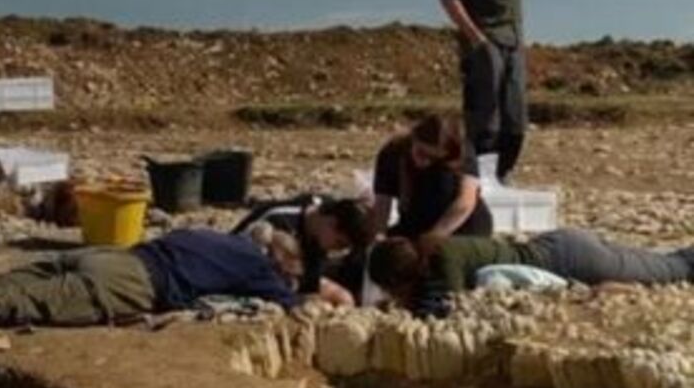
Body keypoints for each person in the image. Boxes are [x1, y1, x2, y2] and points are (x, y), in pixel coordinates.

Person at [0, 228, 298, 344]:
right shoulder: (261, 269)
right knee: (3, 302)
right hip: (135, 284)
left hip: (113, 254)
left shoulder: (217, 237)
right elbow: (294, 305)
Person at [439, 0, 563, 181]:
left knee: (515, 114)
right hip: (484, 42)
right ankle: (478, 177)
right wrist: (476, 38)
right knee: (486, 113)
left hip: (513, 41)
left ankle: (503, 173)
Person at [370, 229, 694, 316]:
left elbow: (450, 309)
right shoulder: (435, 250)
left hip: (568, 261)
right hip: (562, 248)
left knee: (675, 270)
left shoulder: (443, 259)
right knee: (665, 263)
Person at [370, 115, 492, 251]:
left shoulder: (461, 151)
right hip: (416, 222)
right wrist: (378, 236)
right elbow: (383, 202)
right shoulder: (392, 153)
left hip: (460, 224)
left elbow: (465, 201)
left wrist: (436, 234)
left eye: (432, 158)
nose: (425, 162)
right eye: (421, 153)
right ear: (414, 139)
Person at [231, 194, 374, 306]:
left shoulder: (318, 237)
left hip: (284, 283)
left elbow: (310, 286)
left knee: (343, 298)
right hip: (241, 275)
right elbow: (239, 258)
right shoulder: (278, 219)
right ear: (331, 222)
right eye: (339, 243)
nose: (335, 250)